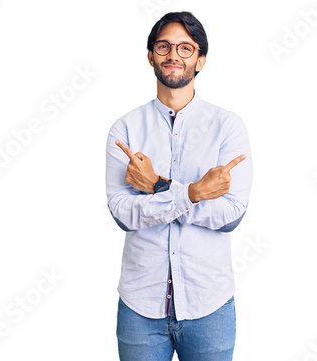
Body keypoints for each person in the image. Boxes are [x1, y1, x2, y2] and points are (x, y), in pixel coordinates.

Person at [105, 11, 253, 361]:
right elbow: (122, 213)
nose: (174, 55)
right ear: (150, 56)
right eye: (164, 46)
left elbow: (231, 214)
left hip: (209, 305)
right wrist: (194, 192)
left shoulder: (228, 126)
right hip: (140, 306)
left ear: (200, 60)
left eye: (186, 48)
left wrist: (157, 186)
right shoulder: (125, 129)